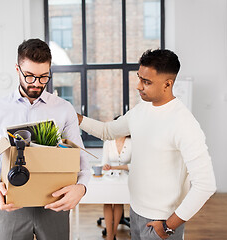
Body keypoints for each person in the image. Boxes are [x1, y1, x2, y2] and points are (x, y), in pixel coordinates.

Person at [77, 49, 217, 240]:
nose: (138, 86)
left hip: (162, 221)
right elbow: (107, 131)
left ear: (168, 84)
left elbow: (206, 185)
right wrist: (75, 118)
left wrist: (169, 226)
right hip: (135, 211)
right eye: (139, 78)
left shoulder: (184, 123)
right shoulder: (141, 109)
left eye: (147, 82)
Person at [0, 38, 90, 240]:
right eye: (29, 76)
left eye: (43, 77)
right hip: (12, 203)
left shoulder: (64, 109)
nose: (37, 83)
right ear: (17, 69)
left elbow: (80, 158)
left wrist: (82, 187)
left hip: (54, 202)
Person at [101, 116, 132, 240]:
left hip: (125, 178)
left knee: (118, 201)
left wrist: (115, 168)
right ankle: (109, 236)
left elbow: (133, 165)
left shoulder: (132, 143)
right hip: (110, 177)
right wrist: (107, 166)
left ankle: (114, 233)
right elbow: (104, 163)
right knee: (107, 201)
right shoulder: (108, 142)